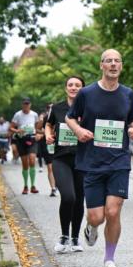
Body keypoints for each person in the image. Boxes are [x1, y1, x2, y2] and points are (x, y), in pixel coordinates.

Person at [66, 49, 133, 267]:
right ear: (101, 65)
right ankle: (91, 226)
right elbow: (70, 117)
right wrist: (78, 130)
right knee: (97, 216)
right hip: (92, 162)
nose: (113, 64)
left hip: (119, 160)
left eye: (117, 61)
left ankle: (109, 258)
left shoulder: (128, 94)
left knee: (113, 211)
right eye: (109, 61)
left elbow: (132, 120)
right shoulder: (87, 93)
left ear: (121, 66)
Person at [45, 76, 86, 254]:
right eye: (70, 85)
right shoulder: (57, 108)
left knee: (79, 199)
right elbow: (48, 124)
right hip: (61, 158)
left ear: (82, 89)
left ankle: (75, 238)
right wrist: (48, 134)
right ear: (65, 88)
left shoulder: (88, 108)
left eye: (77, 85)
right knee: (68, 197)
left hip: (82, 159)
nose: (73, 87)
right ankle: (64, 236)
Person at [10, 99, 40, 193]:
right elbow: (11, 127)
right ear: (22, 105)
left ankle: (33, 186)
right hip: (21, 140)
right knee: (25, 164)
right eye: (24, 104)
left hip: (32, 138)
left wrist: (39, 134)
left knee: (32, 159)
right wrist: (17, 131)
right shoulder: (17, 114)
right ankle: (26, 186)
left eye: (28, 104)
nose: (26, 106)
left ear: (30, 105)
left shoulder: (34, 114)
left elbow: (37, 128)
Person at [37, 104, 58, 196]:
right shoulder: (45, 118)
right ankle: (53, 188)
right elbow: (37, 130)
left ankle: (58, 184)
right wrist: (46, 133)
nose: (51, 109)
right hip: (48, 145)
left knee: (59, 167)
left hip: (60, 146)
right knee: (50, 167)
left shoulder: (62, 115)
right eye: (49, 108)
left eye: (52, 108)